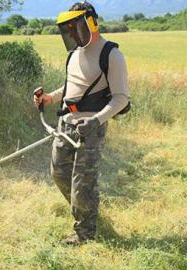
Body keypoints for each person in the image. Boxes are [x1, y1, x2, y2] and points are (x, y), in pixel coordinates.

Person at [34, 1, 129, 245]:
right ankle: (84, 211)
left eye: (76, 27)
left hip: (91, 129)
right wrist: (49, 98)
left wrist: (96, 121)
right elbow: (71, 87)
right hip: (66, 123)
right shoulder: (75, 53)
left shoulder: (112, 55)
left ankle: (85, 233)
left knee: (82, 182)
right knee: (58, 173)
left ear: (90, 23)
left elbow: (121, 98)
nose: (72, 34)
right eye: (68, 30)